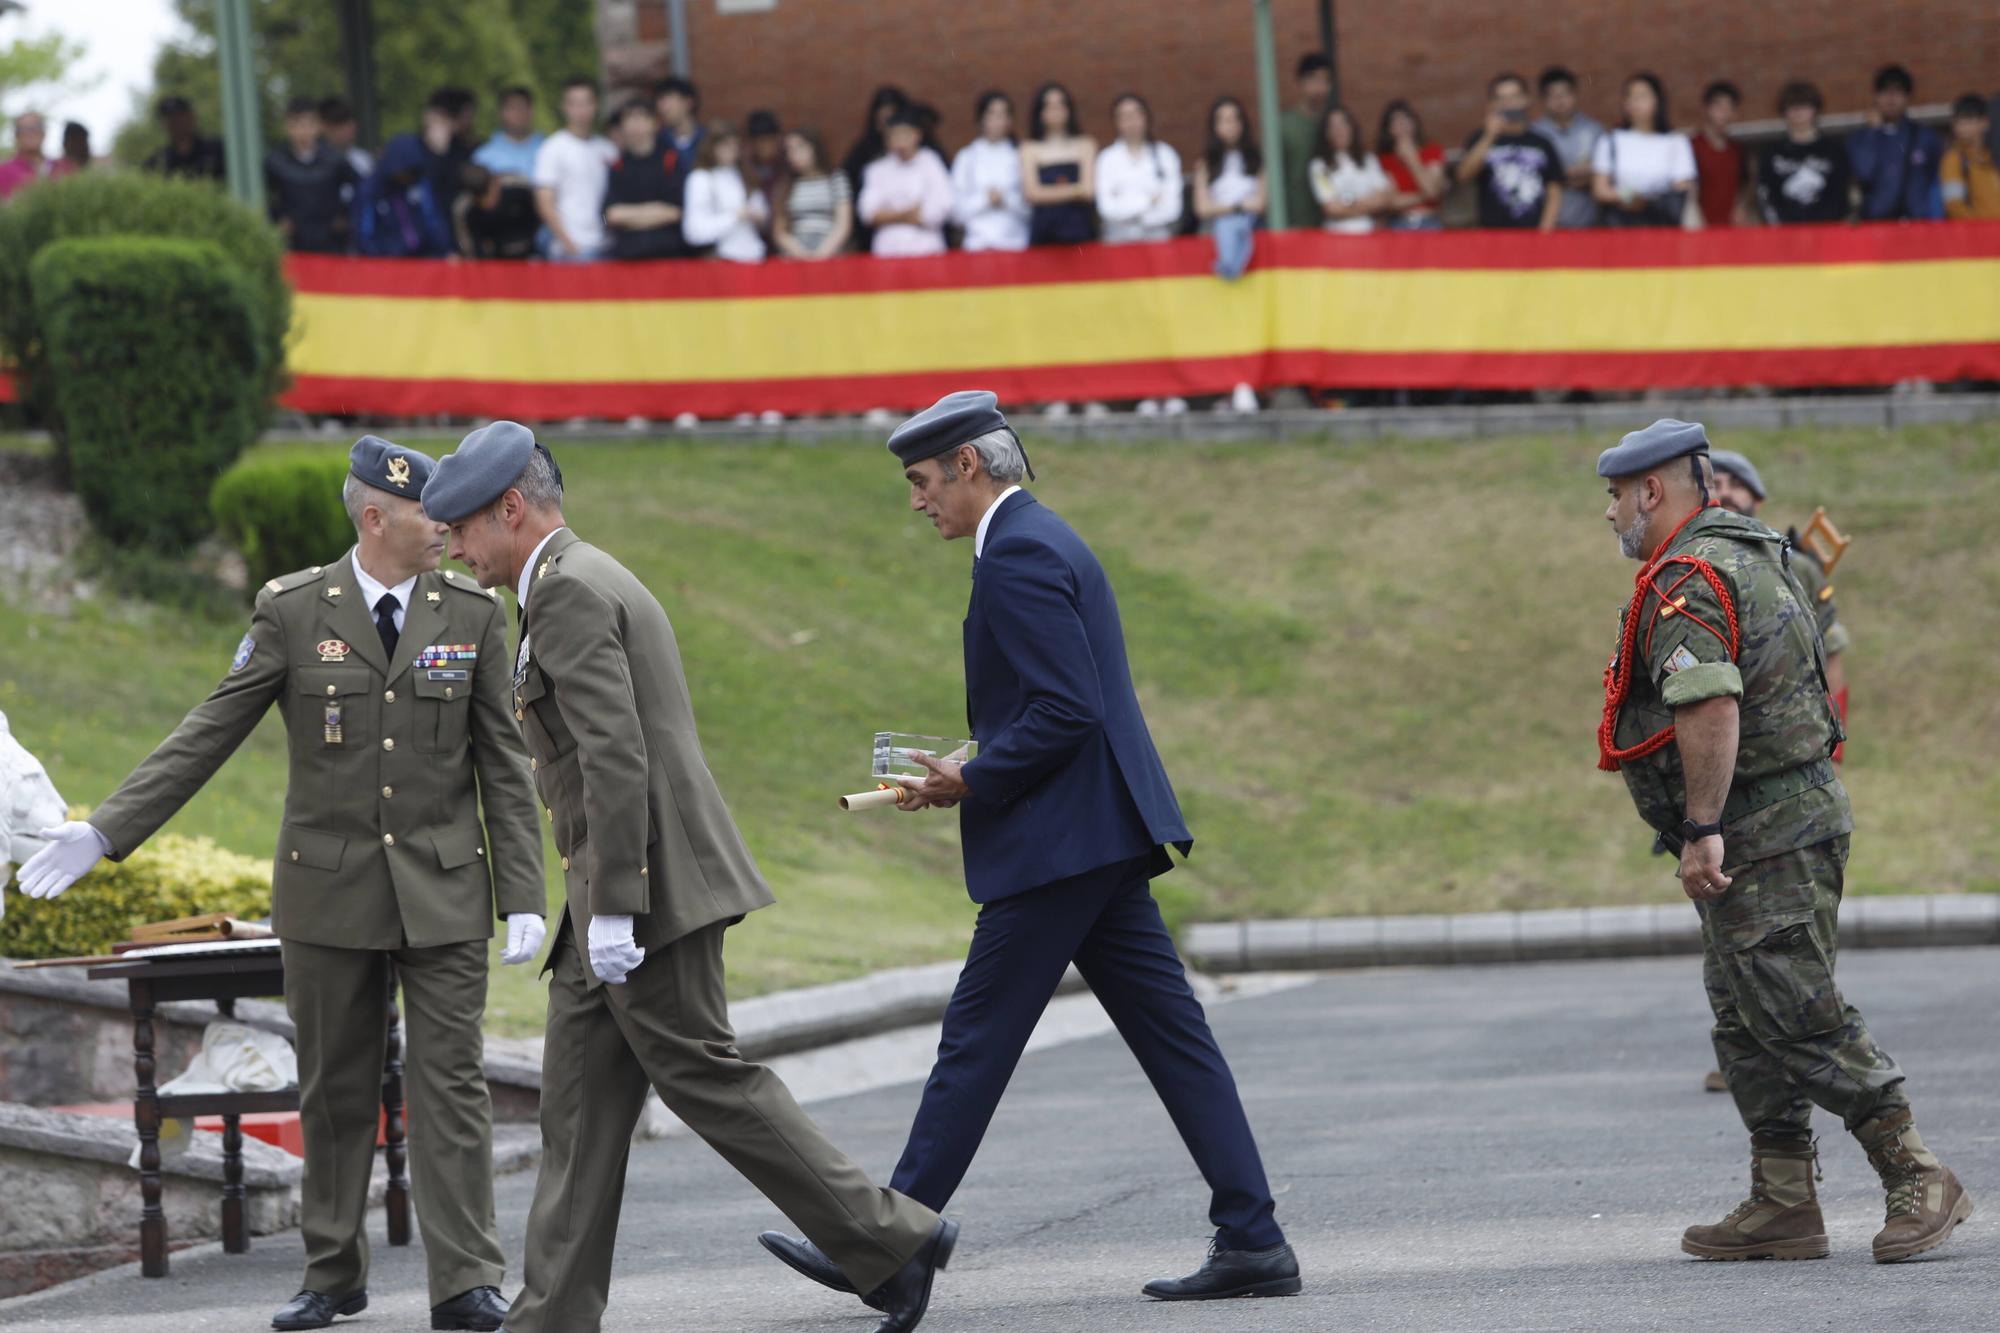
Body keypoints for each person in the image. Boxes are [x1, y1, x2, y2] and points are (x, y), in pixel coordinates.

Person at [755, 391, 1301, 1306]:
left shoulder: (1013, 554)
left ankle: (894, 1243)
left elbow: (1066, 708)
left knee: (975, 1041)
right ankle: (1253, 1234)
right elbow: (1058, 703)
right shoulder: (1043, 537)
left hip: (1061, 844)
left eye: (923, 480)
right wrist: (974, 759)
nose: (917, 499)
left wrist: (971, 778)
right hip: (1096, 832)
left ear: (970, 465)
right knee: (1175, 1041)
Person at [420, 422, 957, 1333]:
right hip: (615, 888)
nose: (456, 549)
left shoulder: (569, 592)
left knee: (710, 1080)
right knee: (578, 1111)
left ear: (511, 508)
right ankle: (550, 1315)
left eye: (463, 529)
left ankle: (893, 1241)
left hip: (645, 891)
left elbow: (615, 756)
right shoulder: (566, 578)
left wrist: (618, 906)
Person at [16, 438, 545, 1333]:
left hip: (445, 891)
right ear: (376, 517)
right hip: (329, 894)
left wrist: (524, 891)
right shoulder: (296, 610)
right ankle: (333, 1272)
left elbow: (504, 758)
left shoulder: (473, 613)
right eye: (430, 515)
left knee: (450, 1085)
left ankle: (466, 1281)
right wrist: (106, 830)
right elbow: (210, 727)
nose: (447, 530)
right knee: (334, 1090)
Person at [1593, 419, 1973, 1266]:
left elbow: (1709, 705)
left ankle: (1917, 1171)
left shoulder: (1690, 577)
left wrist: (1700, 829)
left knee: (1797, 1009)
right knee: (1744, 1014)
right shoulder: (1753, 552)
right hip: (1778, 818)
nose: (1610, 512)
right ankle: (1783, 1196)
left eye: (1616, 494)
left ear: (1652, 490)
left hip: (1761, 828)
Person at [1591, 72, 1700, 228]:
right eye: (1631, 97)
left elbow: (1683, 186)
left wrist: (1650, 199)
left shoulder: (1676, 142)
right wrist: (1628, 195)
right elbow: (1600, 189)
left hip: (1662, 223)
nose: (1636, 102)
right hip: (1622, 224)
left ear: (1657, 100)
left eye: (1642, 96)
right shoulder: (1610, 140)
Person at [1457, 72, 1563, 231]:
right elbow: (1463, 175)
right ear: (1492, 104)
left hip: (1534, 232)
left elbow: (1554, 189)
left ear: (1526, 100)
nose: (1509, 103)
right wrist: (1489, 136)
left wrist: (1545, 230)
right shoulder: (1480, 138)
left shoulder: (1542, 142)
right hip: (1492, 234)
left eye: (1514, 97)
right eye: (1502, 98)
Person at [533, 77, 617, 261]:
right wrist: (569, 245)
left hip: (605, 246)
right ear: (565, 107)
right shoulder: (553, 148)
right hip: (569, 249)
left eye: (587, 102)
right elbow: (544, 201)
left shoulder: (609, 150)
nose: (581, 110)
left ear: (596, 105)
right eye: (575, 103)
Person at [1849, 64, 1943, 222]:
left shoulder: (1924, 137)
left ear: (1908, 97)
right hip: (1877, 225)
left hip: (1918, 224)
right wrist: (1873, 133)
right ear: (1876, 96)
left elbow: (1937, 182)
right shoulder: (1860, 138)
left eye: (1898, 91)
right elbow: (1863, 172)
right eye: (1885, 91)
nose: (1891, 98)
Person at [265, 97, 356, 254]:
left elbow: (362, 186)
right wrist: (277, 219)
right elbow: (262, 195)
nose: (303, 131)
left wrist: (345, 215)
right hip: (294, 243)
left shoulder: (334, 159)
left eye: (308, 124)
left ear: (318, 126)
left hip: (330, 242)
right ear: (287, 127)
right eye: (297, 124)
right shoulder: (275, 162)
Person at [601, 100, 688, 260]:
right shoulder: (617, 167)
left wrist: (630, 217)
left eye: (642, 117)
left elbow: (676, 213)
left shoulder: (671, 162)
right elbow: (609, 217)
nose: (636, 124)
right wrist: (656, 211)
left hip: (668, 257)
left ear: (655, 124)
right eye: (630, 118)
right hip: (626, 258)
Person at [857, 110, 951, 258]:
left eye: (905, 134)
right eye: (895, 135)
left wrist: (891, 215)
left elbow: (942, 206)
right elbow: (868, 213)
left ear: (917, 134)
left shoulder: (931, 162)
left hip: (926, 248)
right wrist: (906, 214)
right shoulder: (877, 170)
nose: (901, 141)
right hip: (889, 250)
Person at [1757, 82, 1852, 225]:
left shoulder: (1833, 150)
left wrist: (1829, 224)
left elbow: (1842, 192)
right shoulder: (1772, 153)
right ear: (1784, 111)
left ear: (1815, 109)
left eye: (1804, 105)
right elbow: (1765, 194)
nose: (1799, 112)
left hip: (1827, 231)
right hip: (1785, 233)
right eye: (1792, 107)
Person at [1193, 95, 1265, 279]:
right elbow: (1202, 208)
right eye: (1224, 121)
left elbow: (1260, 204)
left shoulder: (1256, 160)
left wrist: (1222, 208)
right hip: (1214, 231)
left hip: (1252, 227)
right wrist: (1238, 207)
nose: (1230, 126)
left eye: (1234, 119)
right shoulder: (1205, 164)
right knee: (1226, 225)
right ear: (1215, 126)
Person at [1094, 93, 1182, 244]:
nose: (1131, 122)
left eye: (1136, 115)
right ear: (1117, 122)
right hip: (1117, 238)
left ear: (1146, 117)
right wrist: (1149, 201)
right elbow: (1107, 209)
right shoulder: (1106, 159)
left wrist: (1126, 202)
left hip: (1158, 235)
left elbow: (1172, 208)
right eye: (1125, 117)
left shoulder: (1166, 155)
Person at [354, 128, 454, 258]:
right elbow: (364, 235)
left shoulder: (419, 185)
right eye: (407, 170)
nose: (409, 176)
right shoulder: (370, 191)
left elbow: (434, 221)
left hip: (423, 261)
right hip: (385, 264)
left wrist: (446, 251)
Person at [950, 91, 1030, 253]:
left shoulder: (1021, 155)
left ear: (1010, 120)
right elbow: (955, 212)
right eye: (992, 114)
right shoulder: (967, 157)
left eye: (1002, 115)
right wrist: (985, 199)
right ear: (981, 118)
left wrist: (1005, 199)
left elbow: (1031, 208)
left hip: (1016, 244)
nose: (997, 121)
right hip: (976, 245)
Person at [1020, 82, 1096, 246]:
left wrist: (1048, 193)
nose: (1056, 111)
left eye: (1060, 105)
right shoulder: (1029, 149)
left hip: (1079, 229)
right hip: (1044, 231)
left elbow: (1088, 191)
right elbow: (1031, 193)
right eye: (1049, 106)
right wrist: (1075, 190)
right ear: (1040, 112)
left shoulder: (1085, 145)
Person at [682, 121, 769, 262]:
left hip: (753, 256)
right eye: (724, 145)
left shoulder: (745, 175)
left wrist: (759, 217)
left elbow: (762, 212)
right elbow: (694, 232)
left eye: (735, 145)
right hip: (720, 259)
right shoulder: (701, 178)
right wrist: (735, 217)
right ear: (711, 147)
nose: (731, 150)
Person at [1533, 66, 1603, 228]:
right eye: (1553, 96)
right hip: (1545, 224)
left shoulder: (1594, 131)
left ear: (1575, 94)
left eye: (1564, 94)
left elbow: (1604, 173)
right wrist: (1566, 176)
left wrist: (1560, 176)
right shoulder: (1535, 134)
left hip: (1587, 221)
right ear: (1543, 99)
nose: (1560, 101)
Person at [843, 85, 909, 252]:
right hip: (877, 240)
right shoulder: (864, 155)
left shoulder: (927, 157)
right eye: (883, 121)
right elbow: (865, 208)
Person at [1308, 104, 1391, 234]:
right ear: (1326, 133)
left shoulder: (1368, 159)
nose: (1339, 130)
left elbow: (1383, 198)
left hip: (1369, 232)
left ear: (1351, 127)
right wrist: (1368, 203)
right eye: (1333, 127)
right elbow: (1331, 208)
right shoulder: (1319, 166)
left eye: (1343, 124)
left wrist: (1346, 203)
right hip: (1337, 235)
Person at [773, 127, 854, 260]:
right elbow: (780, 231)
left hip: (830, 253)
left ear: (814, 148)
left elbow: (843, 224)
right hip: (796, 256)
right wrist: (800, 253)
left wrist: (822, 254)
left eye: (800, 147)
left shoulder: (836, 179)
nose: (795, 155)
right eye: (790, 151)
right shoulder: (786, 185)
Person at [1278, 53, 1335, 229]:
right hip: (1296, 221)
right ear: (1301, 83)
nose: (1320, 88)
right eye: (1314, 80)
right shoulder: (1284, 126)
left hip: (1334, 219)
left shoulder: (1335, 122)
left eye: (1325, 81)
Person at [1376, 99, 1446, 229]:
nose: (1401, 125)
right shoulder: (1384, 160)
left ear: (1414, 123)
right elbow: (1391, 202)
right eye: (1395, 122)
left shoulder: (1432, 151)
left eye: (1405, 119)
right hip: (1400, 223)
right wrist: (1424, 196)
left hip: (1430, 221)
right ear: (1389, 130)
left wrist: (1412, 159)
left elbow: (1432, 190)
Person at [1690, 80, 1751, 227]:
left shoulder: (1737, 150)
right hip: (1699, 226)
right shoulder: (1692, 147)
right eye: (1719, 106)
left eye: (1729, 107)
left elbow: (1745, 184)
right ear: (1707, 109)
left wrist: (1741, 207)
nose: (1724, 113)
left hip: (1731, 229)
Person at [454, 164, 541, 260]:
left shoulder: (518, 186)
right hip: (493, 257)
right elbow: (469, 246)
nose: (489, 202)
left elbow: (541, 211)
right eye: (482, 199)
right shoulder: (465, 209)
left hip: (532, 248)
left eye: (490, 194)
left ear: (494, 183)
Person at [1940, 93, 2000, 220]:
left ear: (1985, 122)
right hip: (1977, 234)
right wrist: (1977, 229)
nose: (1963, 127)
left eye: (1968, 120)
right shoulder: (1954, 159)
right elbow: (1954, 205)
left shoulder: (1991, 156)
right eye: (1959, 121)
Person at [472, 86, 544, 187]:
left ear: (531, 111)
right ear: (502, 113)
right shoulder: (484, 155)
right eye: (512, 108)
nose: (518, 114)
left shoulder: (548, 149)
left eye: (522, 108)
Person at [144, 96, 225, 180]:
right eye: (170, 119)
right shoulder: (157, 162)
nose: (175, 123)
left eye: (179, 116)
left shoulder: (219, 150)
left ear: (192, 117)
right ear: (162, 124)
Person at [744, 108, 787, 238]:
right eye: (757, 141)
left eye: (767, 141)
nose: (762, 147)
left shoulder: (787, 168)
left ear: (777, 139)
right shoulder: (744, 170)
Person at [321, 97, 374, 181]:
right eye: (342, 124)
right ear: (325, 127)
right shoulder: (315, 162)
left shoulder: (363, 159)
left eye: (351, 124)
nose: (350, 129)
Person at [0, 110, 49, 199]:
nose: (30, 133)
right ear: (16, 135)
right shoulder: (3, 171)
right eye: (23, 129)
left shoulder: (62, 168)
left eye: (36, 127)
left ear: (44, 133)